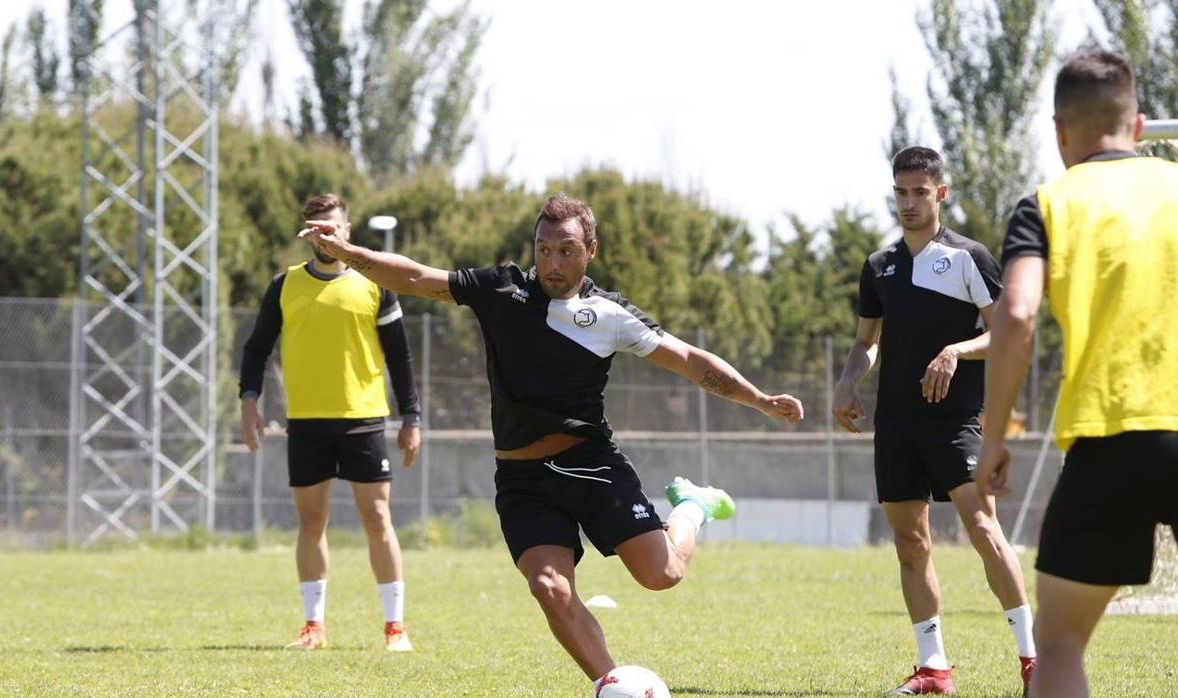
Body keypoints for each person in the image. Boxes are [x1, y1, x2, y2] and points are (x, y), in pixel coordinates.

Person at [299, 192, 804, 690]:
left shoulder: (610, 315)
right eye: (543, 249)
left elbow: (691, 361)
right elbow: (413, 276)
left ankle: (691, 508)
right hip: (523, 478)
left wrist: (759, 399)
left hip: (591, 464)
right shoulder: (501, 291)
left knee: (661, 575)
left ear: (591, 251)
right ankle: (610, 684)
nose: (552, 262)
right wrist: (348, 253)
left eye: (566, 250)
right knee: (548, 585)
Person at [976, 50, 1178, 698]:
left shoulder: (1048, 203)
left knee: (1061, 642)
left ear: (1059, 131)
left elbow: (1016, 312)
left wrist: (993, 438)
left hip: (1112, 437)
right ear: (1140, 126)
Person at [832, 147, 1036, 696]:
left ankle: (1032, 660)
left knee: (983, 530)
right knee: (909, 542)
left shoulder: (969, 257)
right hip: (896, 423)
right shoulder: (879, 266)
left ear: (940, 193)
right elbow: (865, 342)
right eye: (900, 192)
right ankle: (934, 668)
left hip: (955, 420)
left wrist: (955, 350)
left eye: (919, 192)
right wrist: (849, 379)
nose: (908, 202)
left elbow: (1005, 334)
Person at [239, 193, 423, 652]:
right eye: (317, 227)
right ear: (307, 231)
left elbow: (400, 356)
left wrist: (411, 416)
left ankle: (395, 628)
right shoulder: (285, 285)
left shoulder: (375, 283)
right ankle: (312, 627)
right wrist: (249, 403)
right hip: (306, 423)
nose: (326, 234)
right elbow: (256, 349)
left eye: (333, 227)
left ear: (347, 229)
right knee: (311, 522)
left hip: (363, 420)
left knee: (377, 517)